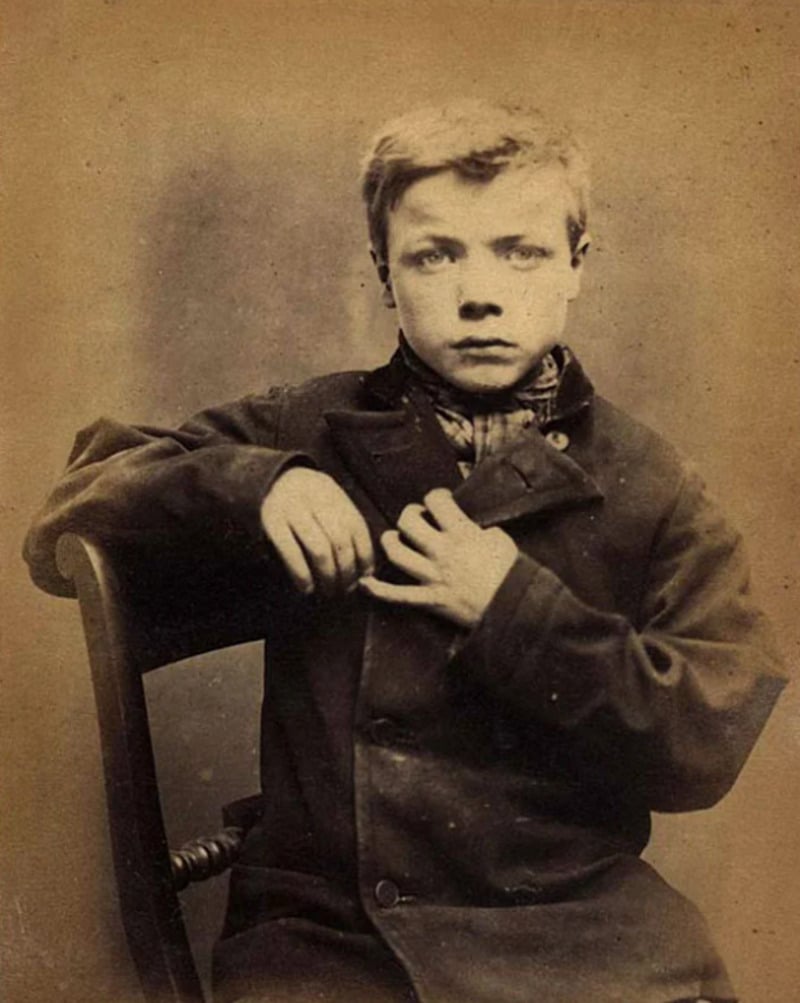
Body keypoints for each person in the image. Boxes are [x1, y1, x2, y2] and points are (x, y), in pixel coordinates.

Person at [24, 101, 787, 1003]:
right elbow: (71, 507)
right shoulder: (305, 426)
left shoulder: (653, 479)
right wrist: (259, 482)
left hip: (580, 925)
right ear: (385, 272)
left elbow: (704, 742)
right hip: (337, 933)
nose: (479, 292)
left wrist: (511, 608)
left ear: (578, 264)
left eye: (521, 250)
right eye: (435, 253)